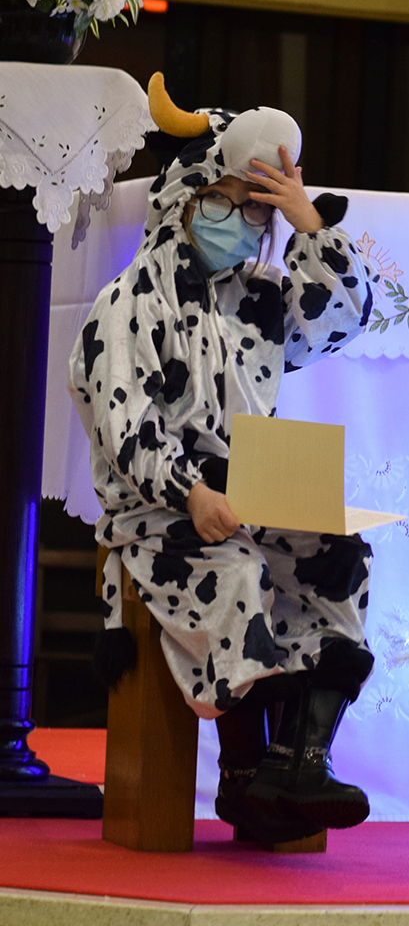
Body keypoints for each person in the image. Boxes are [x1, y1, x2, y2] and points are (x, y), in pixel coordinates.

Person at [70, 74, 378, 844]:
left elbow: (341, 320)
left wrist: (307, 222)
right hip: (160, 513)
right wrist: (190, 491)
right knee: (240, 571)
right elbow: (126, 427)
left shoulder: (259, 298)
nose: (245, 223)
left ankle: (297, 763)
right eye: (232, 202)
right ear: (189, 195)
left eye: (259, 210)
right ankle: (244, 770)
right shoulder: (130, 303)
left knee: (339, 556)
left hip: (247, 498)